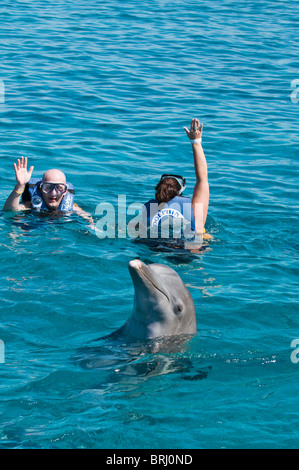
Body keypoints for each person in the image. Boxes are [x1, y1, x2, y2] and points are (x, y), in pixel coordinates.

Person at [142, 118, 210, 240]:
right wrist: (196, 141)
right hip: (186, 253)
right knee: (204, 238)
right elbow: (202, 179)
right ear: (179, 193)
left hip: (156, 248)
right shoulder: (193, 211)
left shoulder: (148, 210)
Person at [3, 156, 93, 223]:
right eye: (48, 187)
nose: (53, 193)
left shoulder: (72, 207)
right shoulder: (31, 205)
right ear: (41, 189)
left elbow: (88, 217)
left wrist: (92, 226)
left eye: (59, 188)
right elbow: (9, 210)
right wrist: (20, 185)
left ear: (65, 191)